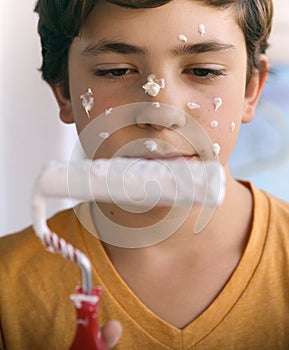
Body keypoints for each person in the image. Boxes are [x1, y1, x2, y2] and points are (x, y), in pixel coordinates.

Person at [1, 0, 288, 349]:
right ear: (63, 92)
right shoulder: (8, 288)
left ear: (250, 89)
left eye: (204, 71)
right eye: (115, 71)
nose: (160, 113)